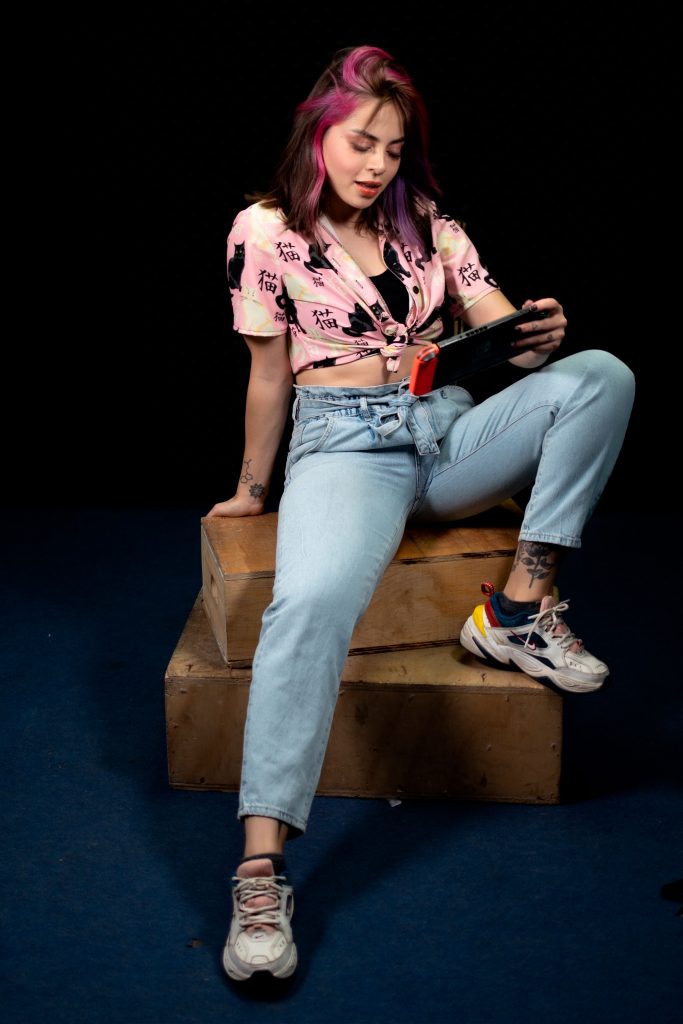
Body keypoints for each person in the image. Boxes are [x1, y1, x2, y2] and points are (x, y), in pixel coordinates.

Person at [208, 44, 635, 982]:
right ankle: (260, 866)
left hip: (446, 431)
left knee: (600, 376)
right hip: (345, 447)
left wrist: (535, 339)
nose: (376, 166)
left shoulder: (427, 225)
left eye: (394, 150)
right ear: (318, 133)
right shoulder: (264, 231)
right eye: (361, 143)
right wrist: (252, 488)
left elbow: (496, 328)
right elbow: (269, 372)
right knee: (308, 602)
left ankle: (517, 608)